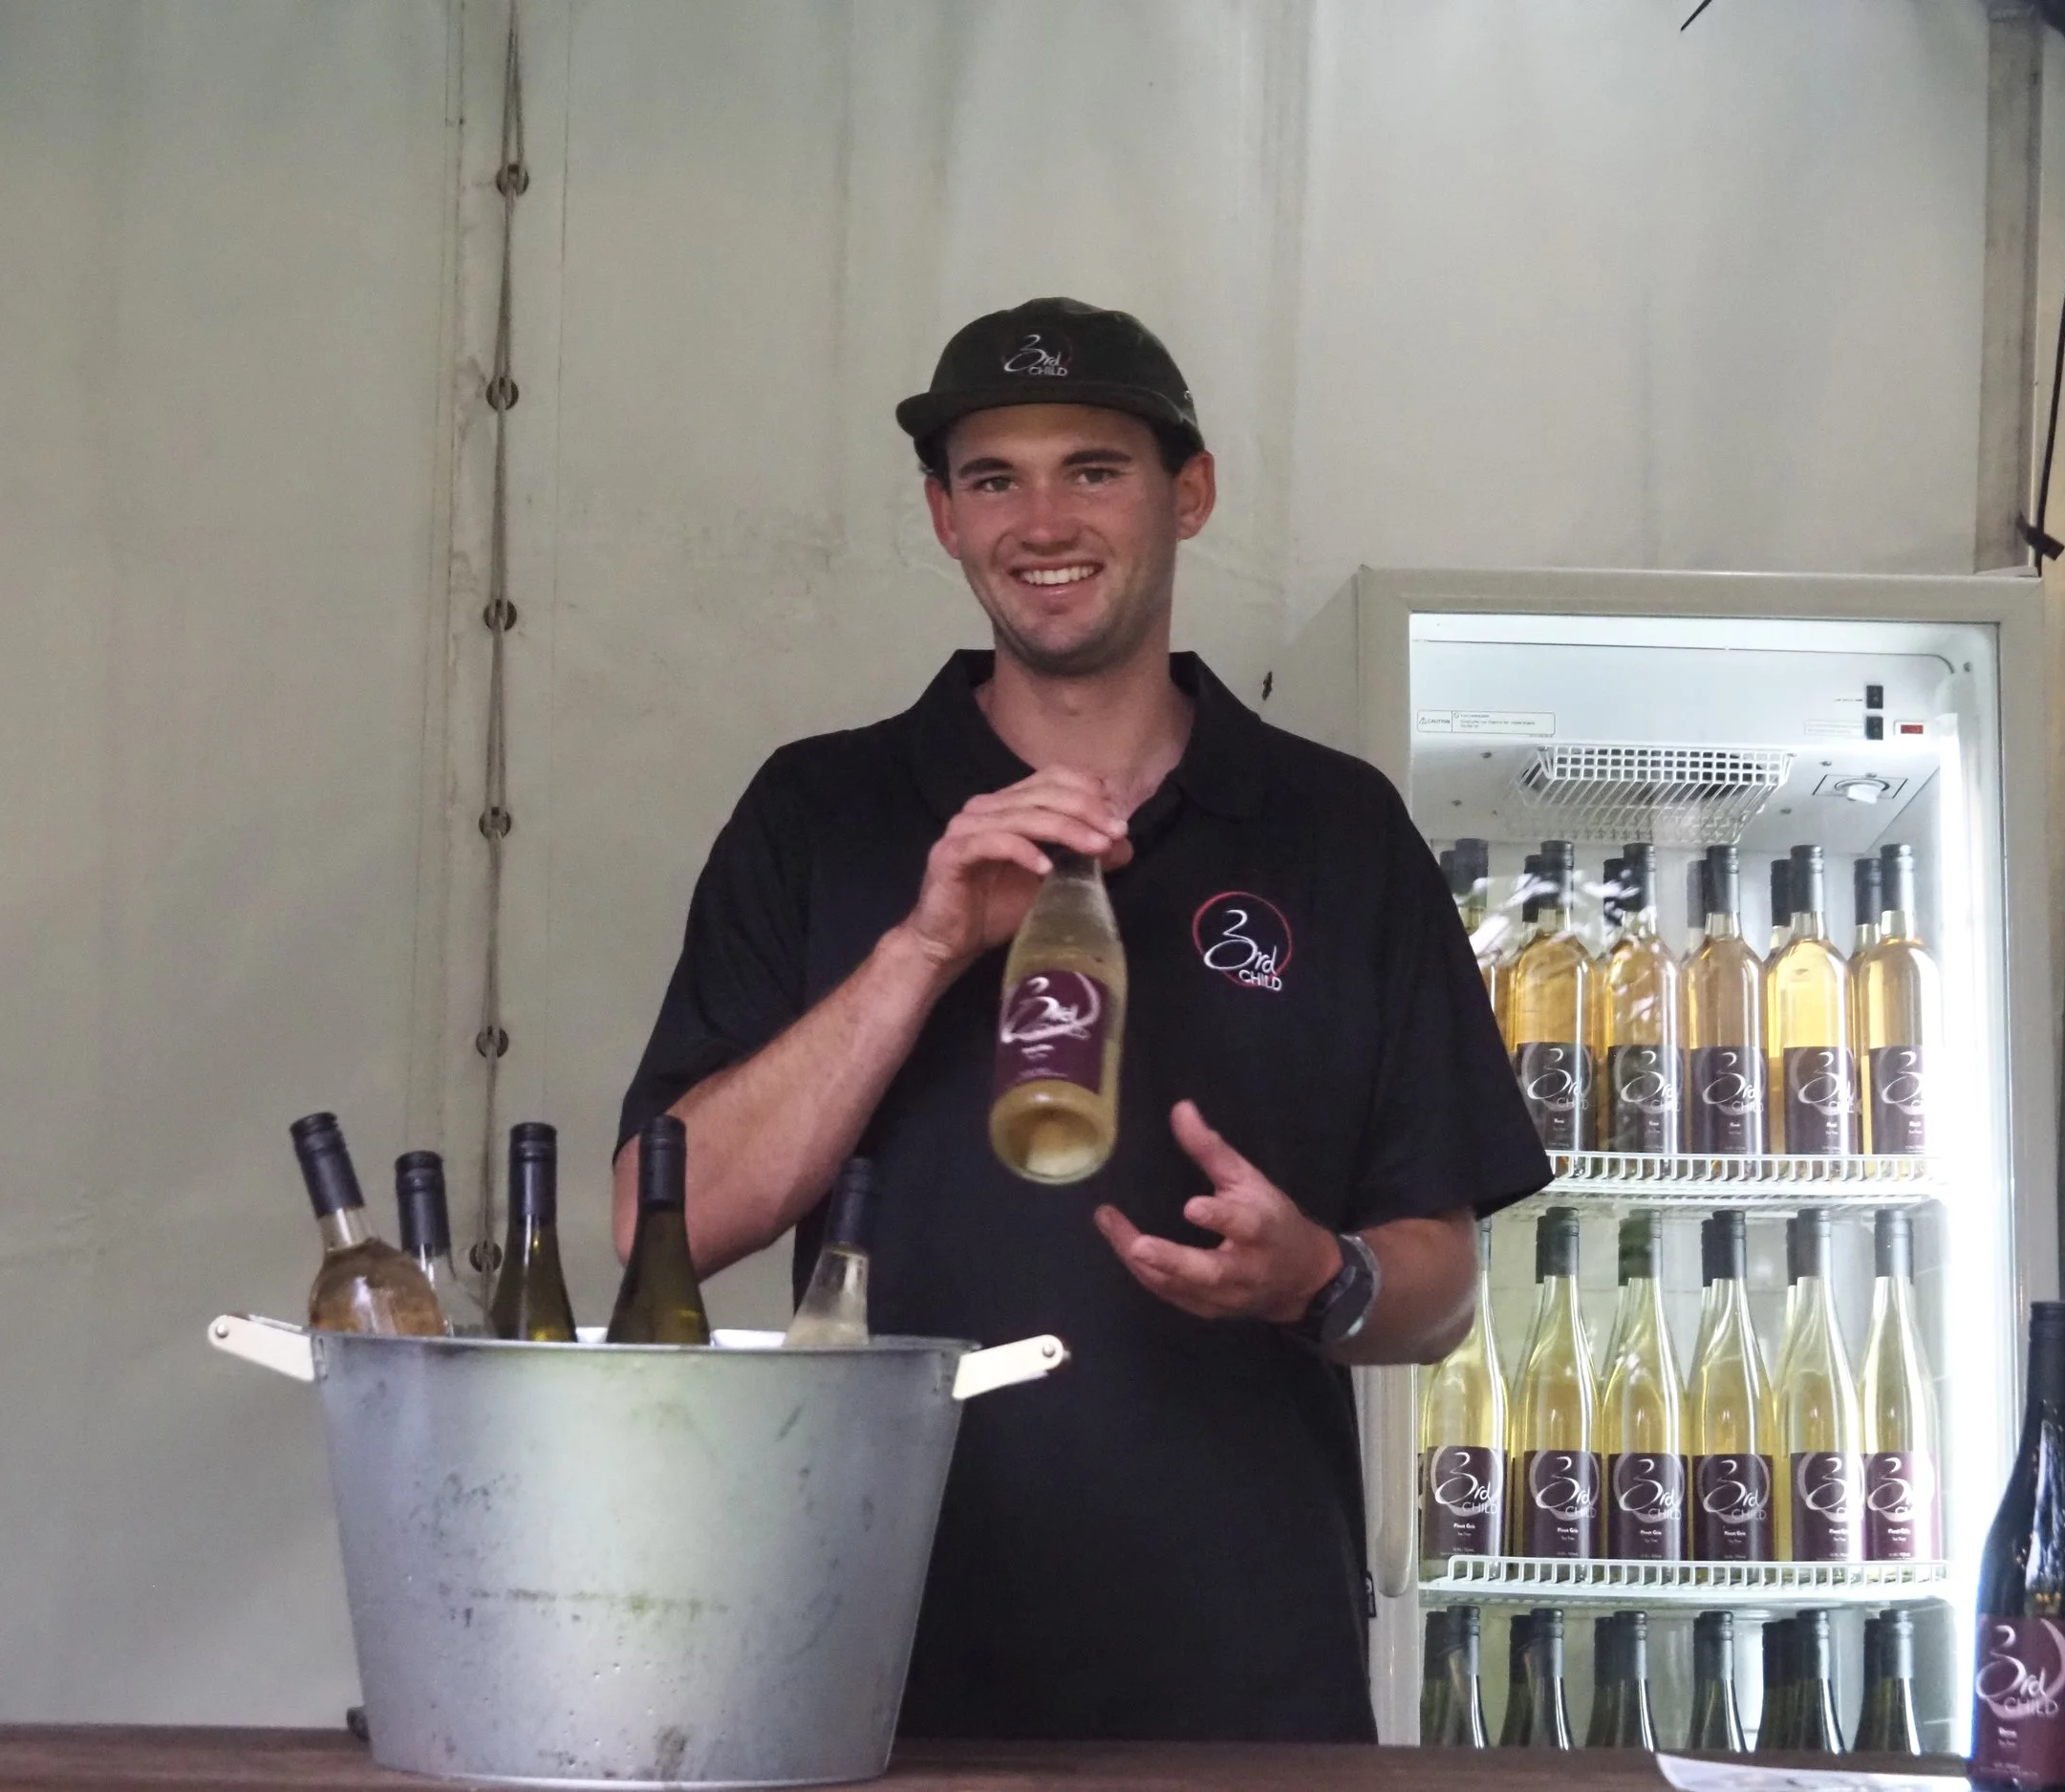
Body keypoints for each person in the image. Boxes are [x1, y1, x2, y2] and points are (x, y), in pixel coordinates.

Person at [614, 296, 1549, 1741]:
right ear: (941, 513)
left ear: (1191, 491)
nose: (1040, 518)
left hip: (1247, 1680)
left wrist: (1320, 1276)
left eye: (1092, 468)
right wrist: (923, 947)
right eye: (994, 476)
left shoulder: (1333, 828)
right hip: (874, 1656)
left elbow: (1443, 1286)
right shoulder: (822, 810)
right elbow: (654, 1218)